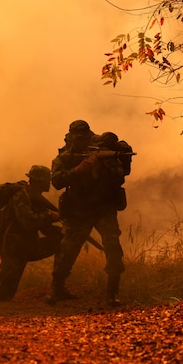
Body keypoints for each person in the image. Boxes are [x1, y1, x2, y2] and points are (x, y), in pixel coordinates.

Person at [47, 120, 131, 306]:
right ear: (70, 139)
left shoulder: (103, 154)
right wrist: (79, 169)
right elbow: (57, 181)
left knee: (113, 248)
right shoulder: (65, 158)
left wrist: (103, 166)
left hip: (103, 209)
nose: (83, 141)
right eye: (79, 138)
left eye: (86, 137)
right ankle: (57, 289)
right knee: (67, 249)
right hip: (79, 210)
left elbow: (120, 176)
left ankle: (112, 293)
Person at [0, 165, 63, 302]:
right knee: (5, 294)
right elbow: (28, 221)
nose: (49, 183)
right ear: (39, 181)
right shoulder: (21, 196)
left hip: (29, 246)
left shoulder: (35, 198)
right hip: (13, 248)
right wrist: (50, 216)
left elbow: (42, 227)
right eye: (47, 180)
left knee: (62, 240)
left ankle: (58, 286)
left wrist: (63, 230)